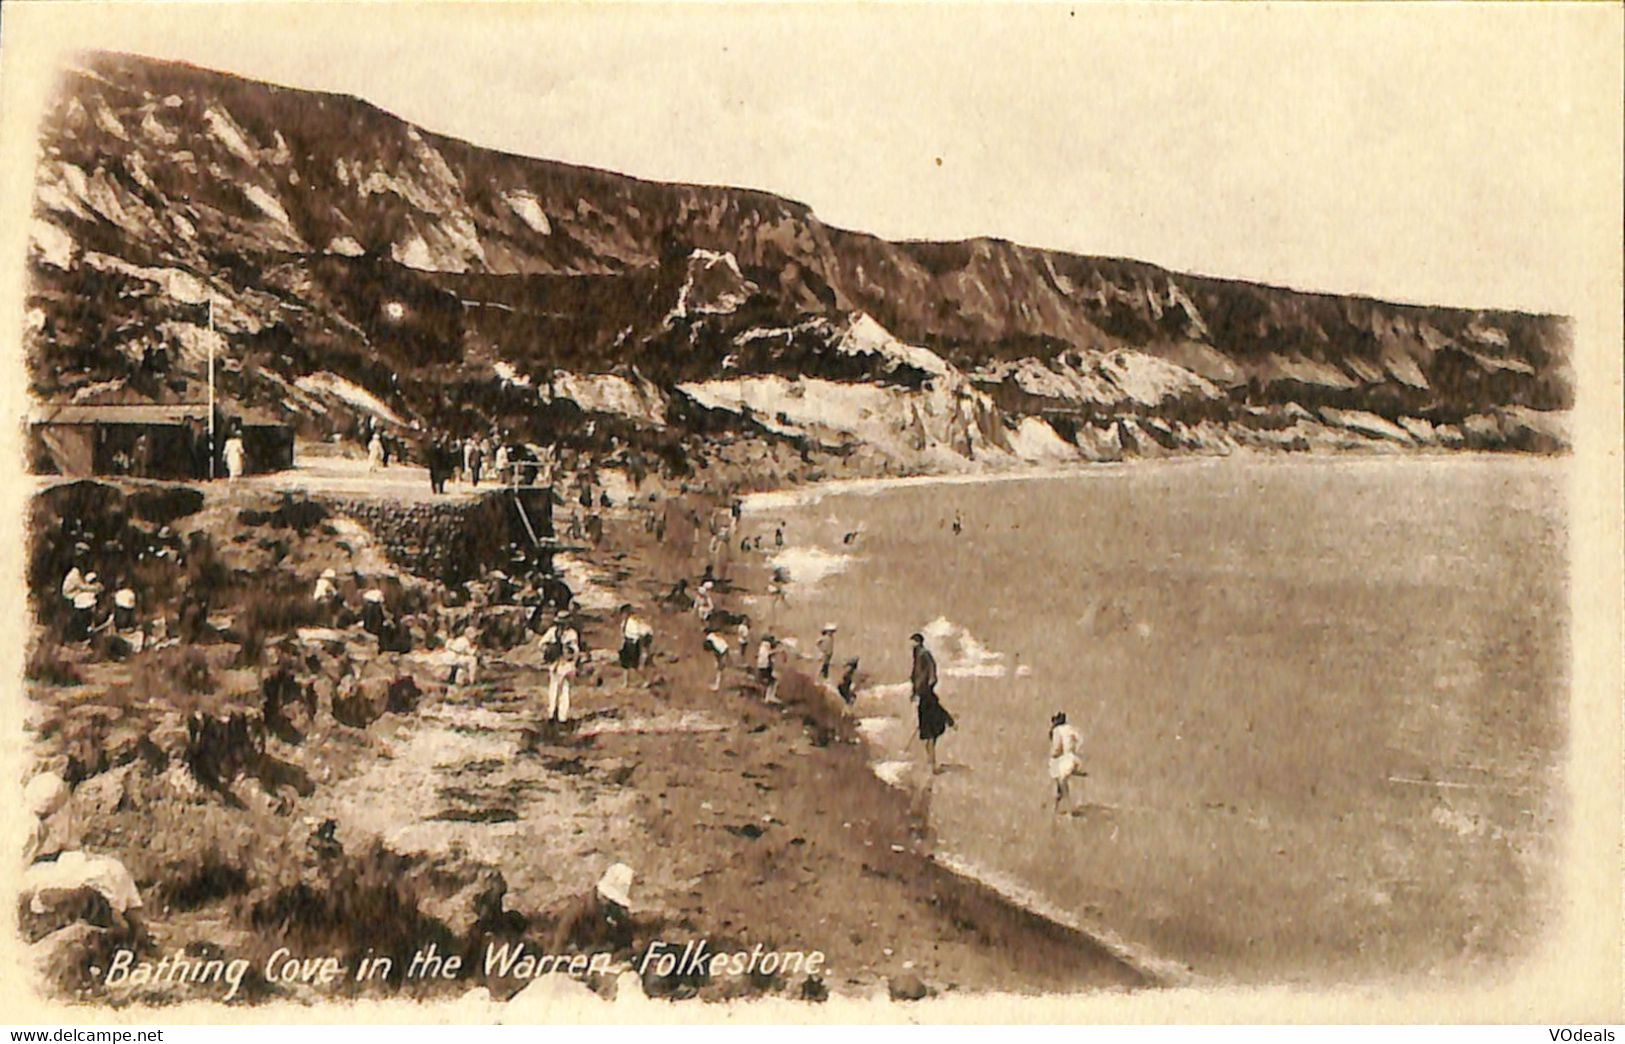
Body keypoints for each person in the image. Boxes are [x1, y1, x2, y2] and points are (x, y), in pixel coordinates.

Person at [547, 862, 636, 956]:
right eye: (606, 897)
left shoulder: (618, 913)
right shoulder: (577, 910)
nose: (608, 902)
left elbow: (626, 943)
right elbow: (559, 947)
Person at [910, 632, 954, 774]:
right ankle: (931, 762)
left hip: (926, 695)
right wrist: (915, 692)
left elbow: (930, 672)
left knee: (929, 733)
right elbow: (916, 676)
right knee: (928, 733)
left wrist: (926, 687)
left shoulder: (923, 654)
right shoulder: (917, 655)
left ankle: (932, 763)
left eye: (913, 642)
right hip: (924, 695)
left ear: (918, 642)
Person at [538, 609, 582, 724]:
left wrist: (548, 651)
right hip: (566, 664)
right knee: (564, 690)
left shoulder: (553, 632)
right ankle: (562, 716)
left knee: (554, 689)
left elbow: (541, 644)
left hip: (555, 664)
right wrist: (575, 664)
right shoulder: (572, 634)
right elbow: (576, 651)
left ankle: (552, 713)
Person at [1048, 711, 1087, 813]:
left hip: (1065, 759)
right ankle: (1056, 806)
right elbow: (1081, 739)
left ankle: (1069, 808)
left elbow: (1056, 749)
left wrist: (1053, 755)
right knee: (1062, 782)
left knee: (1061, 781)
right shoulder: (1071, 729)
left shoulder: (1057, 730)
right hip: (1075, 759)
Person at [618, 604, 653, 687]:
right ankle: (625, 682)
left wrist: (644, 647)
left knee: (635, 665)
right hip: (627, 642)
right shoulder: (624, 622)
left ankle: (645, 680)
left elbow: (644, 632)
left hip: (634, 643)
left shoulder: (636, 620)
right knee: (625, 664)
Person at [756, 635, 780, 704]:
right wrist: (776, 651)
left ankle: (769, 697)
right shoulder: (765, 647)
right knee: (772, 682)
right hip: (764, 666)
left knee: (772, 681)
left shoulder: (763, 647)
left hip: (763, 666)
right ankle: (769, 697)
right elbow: (768, 654)